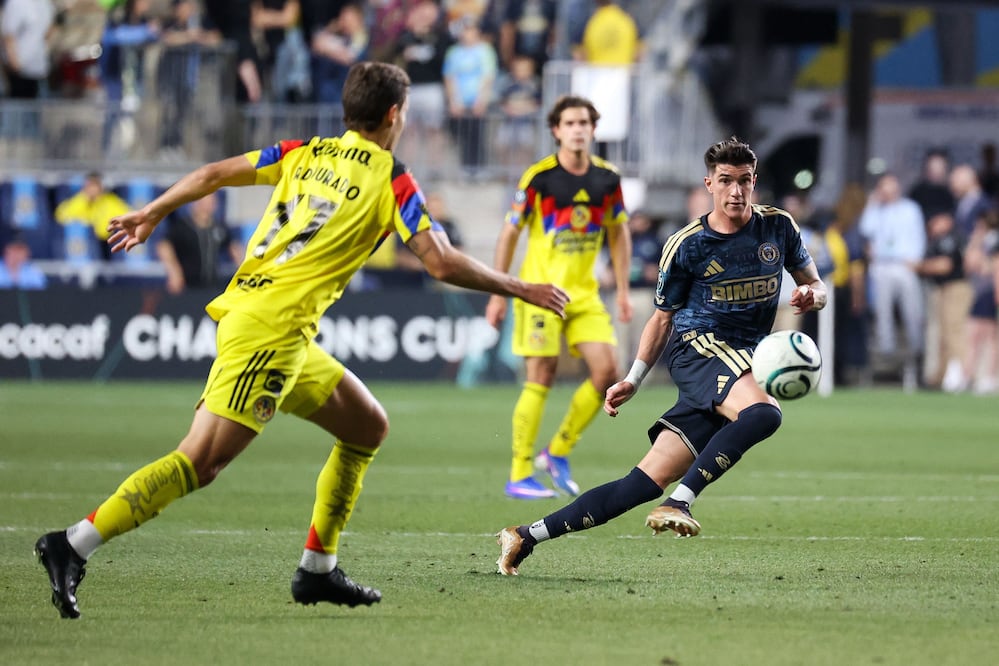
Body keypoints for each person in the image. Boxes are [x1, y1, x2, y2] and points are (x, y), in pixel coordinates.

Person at [34, 61, 569, 620]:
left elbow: (215, 172)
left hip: (267, 320)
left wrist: (152, 210)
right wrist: (519, 287)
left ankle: (317, 569)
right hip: (272, 330)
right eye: (404, 112)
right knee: (200, 462)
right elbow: (437, 259)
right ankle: (72, 544)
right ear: (393, 114)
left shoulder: (304, 150)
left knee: (366, 426)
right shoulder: (392, 177)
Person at [495, 137, 827, 576]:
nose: (735, 192)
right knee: (766, 414)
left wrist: (811, 295)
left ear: (754, 182)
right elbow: (661, 319)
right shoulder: (687, 245)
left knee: (639, 484)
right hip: (699, 351)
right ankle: (681, 502)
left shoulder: (778, 227)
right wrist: (634, 377)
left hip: (744, 360)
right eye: (725, 181)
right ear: (709, 183)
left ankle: (525, 535)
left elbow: (817, 285)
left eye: (744, 181)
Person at [485, 94, 633, 500]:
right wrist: (499, 291)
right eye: (569, 123)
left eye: (584, 122)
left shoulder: (608, 179)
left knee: (608, 373)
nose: (578, 129)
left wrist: (621, 290)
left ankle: (557, 452)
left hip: (584, 294)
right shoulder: (539, 178)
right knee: (541, 376)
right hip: (539, 292)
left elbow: (619, 233)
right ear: (556, 130)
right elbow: (510, 232)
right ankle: (518, 473)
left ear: (593, 129)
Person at [858, 171, 926, 392]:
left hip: (904, 265)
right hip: (882, 266)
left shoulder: (910, 208)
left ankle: (916, 356)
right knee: (882, 314)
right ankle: (886, 359)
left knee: (912, 313)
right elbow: (865, 229)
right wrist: (872, 203)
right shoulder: (877, 210)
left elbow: (918, 235)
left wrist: (916, 260)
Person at [156, 191, 243, 294]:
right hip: (187, 287)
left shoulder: (219, 228)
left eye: (212, 201)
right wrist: (174, 272)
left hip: (212, 286)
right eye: (205, 201)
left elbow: (233, 248)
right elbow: (163, 246)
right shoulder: (182, 227)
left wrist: (244, 270)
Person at [53, 172, 131, 261]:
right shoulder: (79, 200)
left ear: (101, 187)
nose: (92, 189)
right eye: (89, 185)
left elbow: (105, 231)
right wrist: (83, 200)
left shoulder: (111, 202)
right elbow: (61, 216)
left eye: (95, 185)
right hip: (84, 243)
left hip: (105, 248)